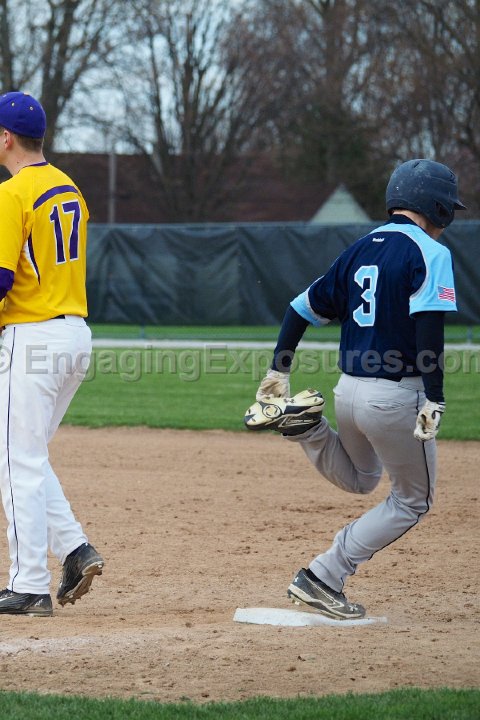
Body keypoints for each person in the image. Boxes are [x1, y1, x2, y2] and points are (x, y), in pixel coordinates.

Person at [245, 159, 466, 620]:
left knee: (362, 478)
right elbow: (429, 330)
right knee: (413, 500)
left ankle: (309, 428)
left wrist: (278, 370)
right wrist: (435, 396)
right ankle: (324, 575)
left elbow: (298, 309)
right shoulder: (430, 252)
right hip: (396, 397)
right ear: (438, 207)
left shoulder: (359, 248)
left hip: (348, 391)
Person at [0, 91, 104, 617]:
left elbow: (1, 279)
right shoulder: (69, 187)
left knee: (17, 462)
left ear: (6, 138)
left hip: (31, 335)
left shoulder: (12, 192)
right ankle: (75, 549)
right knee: (28, 454)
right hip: (74, 336)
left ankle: (28, 585)